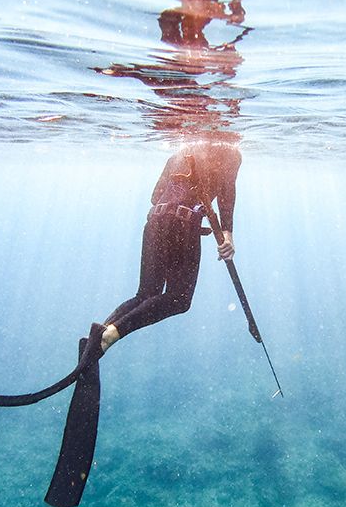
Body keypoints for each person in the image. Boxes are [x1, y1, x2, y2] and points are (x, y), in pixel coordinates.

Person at [97, 140, 241, 353]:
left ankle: (99, 334)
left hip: (155, 222)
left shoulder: (181, 151)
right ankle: (110, 336)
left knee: (145, 295)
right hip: (182, 226)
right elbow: (227, 191)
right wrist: (227, 234)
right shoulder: (230, 150)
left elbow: (156, 196)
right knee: (179, 299)